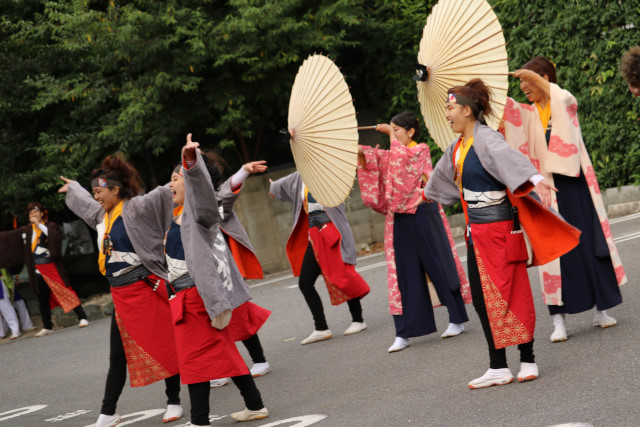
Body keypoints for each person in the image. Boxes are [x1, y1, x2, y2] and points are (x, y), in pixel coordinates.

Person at [424, 78, 579, 389]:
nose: (447, 114)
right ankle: (498, 366)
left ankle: (528, 359)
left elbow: (511, 159)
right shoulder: (457, 147)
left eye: (450, 108)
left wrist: (536, 178)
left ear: (467, 110)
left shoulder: (486, 139)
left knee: (514, 294)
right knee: (482, 301)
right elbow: (441, 179)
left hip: (500, 230)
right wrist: (425, 194)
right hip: (477, 233)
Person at [503, 57, 627, 343]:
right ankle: (558, 319)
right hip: (545, 190)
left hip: (574, 185)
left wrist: (535, 79)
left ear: (545, 78)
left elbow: (563, 99)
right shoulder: (527, 113)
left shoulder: (563, 100)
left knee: (589, 244)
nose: (523, 87)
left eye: (528, 81)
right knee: (553, 253)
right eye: (521, 83)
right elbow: (504, 112)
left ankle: (600, 310)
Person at [59, 155, 183, 427]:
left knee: (164, 344)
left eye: (99, 192)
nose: (96, 197)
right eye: (94, 192)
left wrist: (189, 169)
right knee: (117, 356)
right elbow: (85, 204)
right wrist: (75, 188)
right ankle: (108, 413)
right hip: (121, 294)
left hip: (146, 288)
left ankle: (173, 400)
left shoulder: (135, 207)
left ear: (115, 189)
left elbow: (161, 194)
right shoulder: (101, 215)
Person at [164, 134, 269, 424]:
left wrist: (191, 163)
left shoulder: (200, 213)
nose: (170, 184)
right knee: (223, 353)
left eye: (176, 178)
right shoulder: (176, 215)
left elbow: (206, 191)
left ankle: (200, 420)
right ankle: (255, 405)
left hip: (197, 297)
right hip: (185, 297)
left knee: (194, 361)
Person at [357, 111, 470, 353]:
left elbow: (404, 163)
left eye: (398, 129)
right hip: (399, 217)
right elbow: (377, 159)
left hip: (424, 211)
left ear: (410, 131)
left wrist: (390, 135)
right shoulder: (394, 152)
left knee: (438, 265)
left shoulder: (420, 149)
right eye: (393, 129)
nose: (394, 133)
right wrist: (359, 151)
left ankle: (456, 318)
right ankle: (404, 331)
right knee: (403, 273)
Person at [269, 167, 370, 345]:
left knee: (342, 276)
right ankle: (321, 328)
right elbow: (282, 185)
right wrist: (274, 188)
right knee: (305, 282)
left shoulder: (329, 172)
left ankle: (358, 320)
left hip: (332, 231)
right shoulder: (300, 176)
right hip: (314, 235)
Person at [208, 159, 272, 387]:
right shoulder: (182, 205)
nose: (173, 183)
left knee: (238, 315)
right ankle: (221, 368)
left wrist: (243, 171)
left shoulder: (212, 201)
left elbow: (226, 195)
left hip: (226, 267)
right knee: (209, 320)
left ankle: (259, 360)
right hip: (202, 271)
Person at [0, 202, 89, 337]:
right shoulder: (26, 231)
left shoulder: (50, 226)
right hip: (36, 268)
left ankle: (82, 317)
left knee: (65, 290)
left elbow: (55, 237)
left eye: (36, 212)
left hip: (51, 266)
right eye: (31, 213)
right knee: (42, 297)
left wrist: (39, 225)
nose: (33, 215)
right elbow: (8, 238)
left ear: (42, 213)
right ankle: (47, 326)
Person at [0, 268, 35, 339]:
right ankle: (6, 331)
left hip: (4, 279)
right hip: (5, 279)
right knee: (6, 307)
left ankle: (19, 328)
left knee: (13, 304)